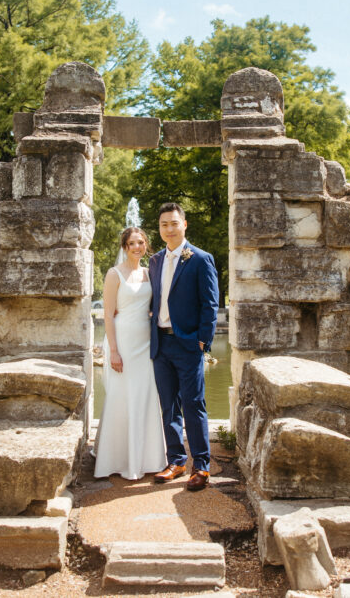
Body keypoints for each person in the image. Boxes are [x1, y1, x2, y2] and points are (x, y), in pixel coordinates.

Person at [149, 203, 220, 491]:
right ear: (160, 228)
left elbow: (210, 304)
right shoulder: (154, 261)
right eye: (164, 224)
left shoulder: (200, 259)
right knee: (168, 406)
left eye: (174, 223)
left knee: (193, 405)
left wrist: (202, 341)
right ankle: (176, 461)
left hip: (188, 343)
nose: (169, 228)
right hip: (160, 343)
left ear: (184, 224)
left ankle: (201, 466)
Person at [93, 227, 167, 480]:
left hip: (146, 342)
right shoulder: (114, 275)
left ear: (146, 245)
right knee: (121, 396)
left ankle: (147, 458)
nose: (137, 247)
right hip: (123, 341)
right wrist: (113, 351)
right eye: (132, 243)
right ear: (124, 246)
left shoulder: (150, 273)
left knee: (145, 396)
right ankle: (116, 459)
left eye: (141, 243)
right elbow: (109, 316)